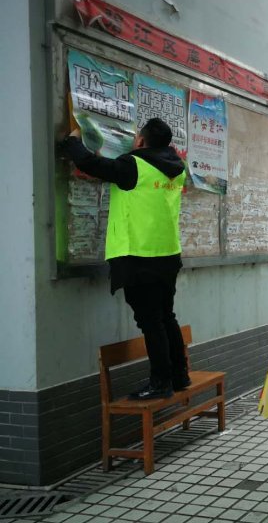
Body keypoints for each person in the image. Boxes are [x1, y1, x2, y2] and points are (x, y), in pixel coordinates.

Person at [61, 118, 188, 399]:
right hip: (167, 255)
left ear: (141, 141)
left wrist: (73, 140)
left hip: (138, 257)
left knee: (150, 321)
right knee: (166, 316)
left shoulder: (134, 165)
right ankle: (179, 376)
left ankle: (160, 382)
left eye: (136, 138)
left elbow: (90, 165)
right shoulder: (176, 170)